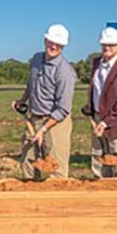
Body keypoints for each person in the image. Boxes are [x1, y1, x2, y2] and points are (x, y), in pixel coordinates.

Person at [11, 24, 77, 179]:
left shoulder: (65, 72)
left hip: (55, 123)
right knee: (28, 164)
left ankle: (56, 201)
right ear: (45, 39)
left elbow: (63, 109)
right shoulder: (36, 59)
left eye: (58, 44)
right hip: (34, 119)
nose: (54, 46)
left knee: (54, 169)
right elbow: (31, 83)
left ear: (63, 46)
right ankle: (30, 200)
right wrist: (22, 100)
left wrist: (43, 130)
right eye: (51, 41)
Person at [82, 27, 117, 178]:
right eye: (104, 44)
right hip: (97, 118)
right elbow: (95, 89)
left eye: (111, 45)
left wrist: (105, 123)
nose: (107, 48)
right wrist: (91, 109)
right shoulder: (96, 64)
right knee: (99, 161)